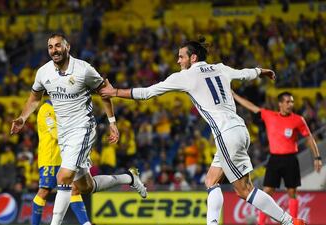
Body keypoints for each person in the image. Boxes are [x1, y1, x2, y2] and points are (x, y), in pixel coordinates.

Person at [99, 37, 305, 225]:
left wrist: (114, 92)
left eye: (181, 57)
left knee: (244, 190)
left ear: (193, 57)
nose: (178, 61)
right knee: (211, 181)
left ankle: (288, 221)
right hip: (240, 129)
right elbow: (244, 74)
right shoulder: (220, 68)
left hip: (225, 134)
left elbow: (147, 93)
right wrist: (262, 71)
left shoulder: (186, 76)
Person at [11, 33, 147, 225]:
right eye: (50, 47)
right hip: (65, 131)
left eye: (58, 46)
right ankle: (129, 178)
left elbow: (104, 92)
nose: (54, 50)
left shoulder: (84, 69)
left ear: (67, 47)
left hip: (83, 127)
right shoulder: (43, 72)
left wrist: (112, 122)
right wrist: (23, 118)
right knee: (85, 187)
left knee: (63, 176)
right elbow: (34, 98)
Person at [232, 91, 322, 225]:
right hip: (274, 159)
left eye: (291, 101)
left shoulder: (298, 119)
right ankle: (261, 223)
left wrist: (317, 157)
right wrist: (234, 95)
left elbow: (309, 138)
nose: (290, 104)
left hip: (291, 159)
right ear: (280, 104)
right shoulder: (270, 115)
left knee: (292, 192)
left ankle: (292, 222)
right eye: (287, 101)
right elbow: (251, 107)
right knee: (267, 192)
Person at [32, 99, 91, 225]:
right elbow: (55, 132)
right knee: (44, 191)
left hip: (66, 156)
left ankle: (86, 223)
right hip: (50, 157)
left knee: (74, 189)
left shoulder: (65, 109)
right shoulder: (46, 109)